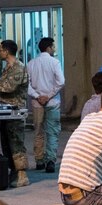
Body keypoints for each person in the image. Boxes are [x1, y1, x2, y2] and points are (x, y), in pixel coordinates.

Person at [0, 39, 31, 189]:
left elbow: (8, 87)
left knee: (16, 142)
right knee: (6, 142)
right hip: (6, 110)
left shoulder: (18, 67)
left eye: (1, 49)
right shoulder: (8, 68)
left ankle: (22, 174)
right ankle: (13, 171)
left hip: (14, 111)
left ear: (7, 51)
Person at [26, 37, 66, 173]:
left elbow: (27, 85)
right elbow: (61, 81)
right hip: (53, 102)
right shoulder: (54, 62)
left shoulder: (31, 63)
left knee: (38, 132)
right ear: (48, 48)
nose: (54, 49)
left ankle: (39, 161)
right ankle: (50, 160)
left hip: (37, 103)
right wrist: (48, 95)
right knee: (53, 132)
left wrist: (38, 96)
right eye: (53, 47)